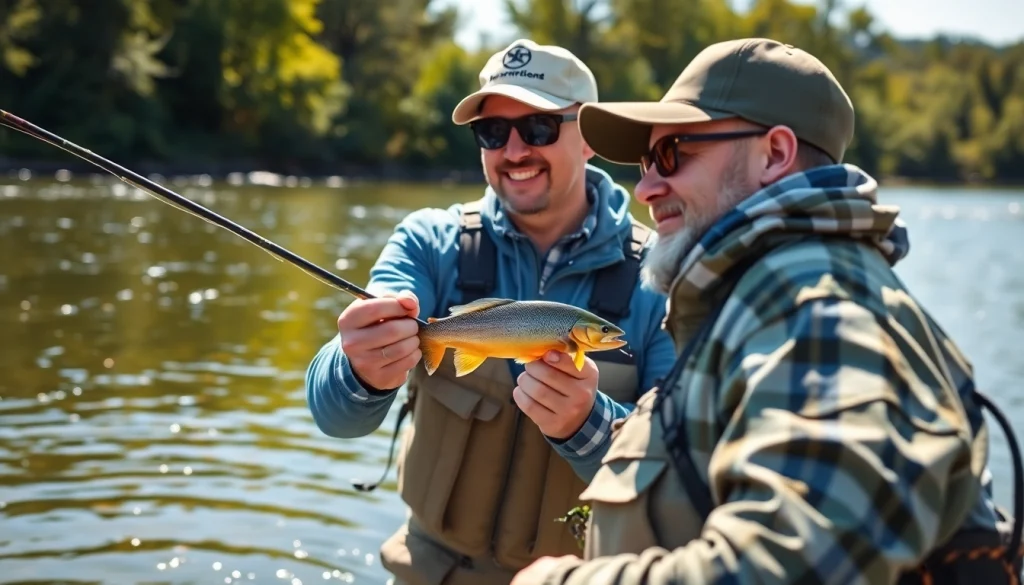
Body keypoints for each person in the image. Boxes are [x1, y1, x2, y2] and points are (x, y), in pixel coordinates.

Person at [510, 37, 1023, 585]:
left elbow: (799, 562)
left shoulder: (818, 310)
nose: (647, 188)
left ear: (774, 155)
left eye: (672, 154)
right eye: (644, 161)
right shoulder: (767, 295)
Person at [304, 38, 677, 585]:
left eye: (541, 128)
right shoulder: (428, 242)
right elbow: (332, 416)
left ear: (590, 138)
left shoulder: (662, 278)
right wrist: (358, 367)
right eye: (493, 132)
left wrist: (587, 423)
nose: (515, 151)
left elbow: (677, 479)